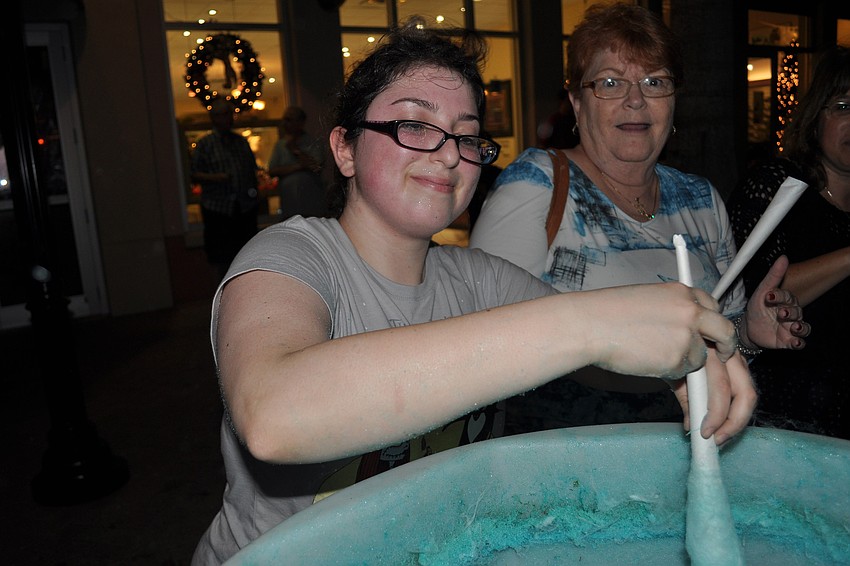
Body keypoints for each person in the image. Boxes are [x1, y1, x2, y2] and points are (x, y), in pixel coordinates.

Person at [192, 19, 757, 564]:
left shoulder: (480, 278)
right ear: (344, 149)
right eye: (414, 124)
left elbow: (600, 359)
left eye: (466, 136)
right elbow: (274, 415)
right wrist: (592, 323)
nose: (447, 153)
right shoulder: (289, 255)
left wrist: (681, 359)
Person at [469, 3, 809, 434]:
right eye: (610, 83)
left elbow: (723, 336)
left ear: (673, 102)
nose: (635, 99)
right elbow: (483, 340)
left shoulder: (701, 199)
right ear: (577, 103)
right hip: (570, 453)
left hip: (699, 441)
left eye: (655, 82)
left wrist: (749, 333)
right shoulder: (536, 183)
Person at [728, 45, 850, 440]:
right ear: (815, 118)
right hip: (782, 419)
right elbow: (755, 294)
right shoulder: (777, 186)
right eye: (843, 106)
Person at [190, 97, 260, 283]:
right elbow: (194, 175)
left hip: (243, 208)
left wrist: (254, 196)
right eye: (221, 115)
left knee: (246, 251)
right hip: (218, 209)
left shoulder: (240, 142)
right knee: (222, 257)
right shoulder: (205, 144)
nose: (226, 119)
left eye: (228, 114)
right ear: (213, 118)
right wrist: (216, 178)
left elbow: (252, 171)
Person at [267, 105, 327, 219]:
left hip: (312, 205)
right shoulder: (280, 145)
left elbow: (315, 166)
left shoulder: (313, 142)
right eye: (284, 120)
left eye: (289, 120)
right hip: (289, 206)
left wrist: (294, 149)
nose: (284, 124)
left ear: (300, 122)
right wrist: (299, 167)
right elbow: (272, 170)